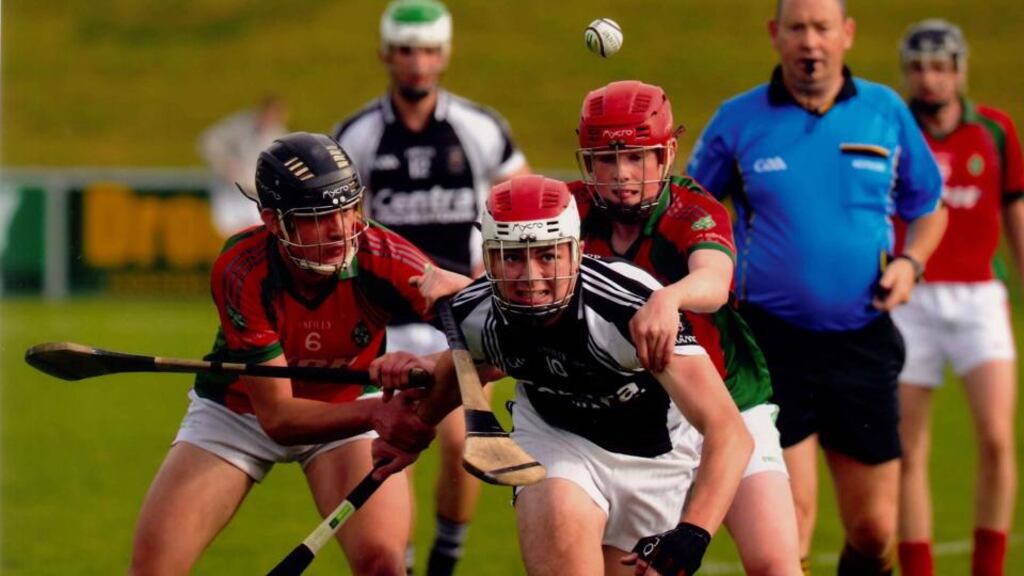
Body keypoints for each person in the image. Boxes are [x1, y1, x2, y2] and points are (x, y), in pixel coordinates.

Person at [373, 174, 753, 576]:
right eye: (513, 257)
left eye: (547, 256)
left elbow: (728, 430)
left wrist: (694, 532)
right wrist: (415, 429)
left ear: (577, 252)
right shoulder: (477, 311)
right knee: (557, 512)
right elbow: (462, 366)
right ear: (488, 256)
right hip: (556, 441)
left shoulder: (630, 310)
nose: (530, 277)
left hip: (657, 459)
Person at [686, 0, 948, 574]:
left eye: (823, 29)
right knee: (792, 529)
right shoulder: (738, 121)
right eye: (798, 28)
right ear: (775, 35)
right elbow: (688, 213)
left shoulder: (885, 112)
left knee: (875, 531)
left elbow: (928, 206)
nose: (811, 43)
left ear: (846, 34)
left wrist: (910, 262)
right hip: (769, 346)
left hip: (862, 341)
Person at [129, 132, 442, 576]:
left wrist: (430, 370)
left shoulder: (385, 257)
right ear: (274, 222)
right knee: (152, 571)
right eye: (319, 216)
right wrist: (379, 418)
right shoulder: (243, 267)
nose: (341, 228)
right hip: (238, 414)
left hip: (348, 409)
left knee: (383, 566)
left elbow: (484, 341)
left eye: (348, 208)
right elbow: (278, 419)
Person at [571, 79, 802, 575]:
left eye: (637, 157)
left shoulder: (693, 209)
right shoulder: (571, 216)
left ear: (668, 154)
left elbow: (714, 281)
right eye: (607, 160)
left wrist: (668, 298)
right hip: (637, 420)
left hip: (728, 401)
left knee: (776, 564)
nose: (622, 174)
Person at [332, 1, 529, 574]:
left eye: (427, 51)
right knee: (397, 440)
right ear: (385, 55)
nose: (416, 63)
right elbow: (344, 229)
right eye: (405, 51)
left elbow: (514, 209)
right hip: (387, 317)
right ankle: (407, 557)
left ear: (444, 55)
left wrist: (491, 289)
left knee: (460, 441)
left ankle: (445, 557)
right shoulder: (358, 135)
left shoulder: (479, 128)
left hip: (459, 313)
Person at [892, 20, 1022, 576]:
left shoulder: (993, 131)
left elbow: (1014, 211)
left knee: (996, 439)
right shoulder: (891, 129)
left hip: (979, 299)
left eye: (941, 67)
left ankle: (987, 570)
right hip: (910, 298)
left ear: (959, 71)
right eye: (919, 67)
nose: (930, 79)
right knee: (908, 449)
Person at [198, 95, 289, 238]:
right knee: (231, 234)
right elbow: (209, 143)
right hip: (230, 193)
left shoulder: (280, 138)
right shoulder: (240, 127)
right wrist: (225, 165)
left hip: (255, 197)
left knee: (256, 235)